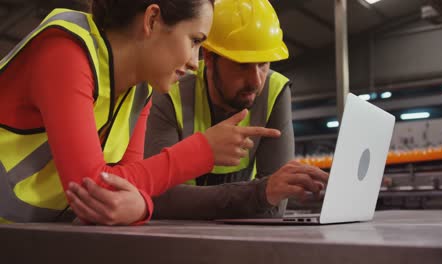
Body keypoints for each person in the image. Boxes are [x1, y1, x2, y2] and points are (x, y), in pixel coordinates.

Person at [0, 0, 284, 225]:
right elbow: (91, 188)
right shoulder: (65, 51)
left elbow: (127, 186)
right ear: (151, 20)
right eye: (194, 41)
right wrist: (202, 151)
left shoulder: (140, 92)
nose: (195, 62)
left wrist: (142, 206)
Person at [67, 0, 329, 223]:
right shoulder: (166, 89)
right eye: (242, 65)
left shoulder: (275, 91)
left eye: (263, 64)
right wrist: (257, 193)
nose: (257, 81)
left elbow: (275, 204)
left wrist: (149, 204)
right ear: (211, 59)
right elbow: (156, 196)